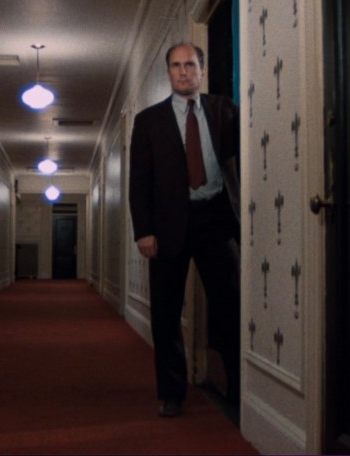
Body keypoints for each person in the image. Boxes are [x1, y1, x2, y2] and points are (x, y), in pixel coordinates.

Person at [129, 42, 241, 418]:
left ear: (202, 71)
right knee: (166, 311)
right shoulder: (148, 120)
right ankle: (172, 393)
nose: (183, 71)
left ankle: (240, 389)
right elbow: (139, 181)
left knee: (228, 304)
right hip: (167, 227)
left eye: (190, 65)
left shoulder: (225, 110)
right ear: (168, 73)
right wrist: (143, 231)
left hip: (215, 220)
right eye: (176, 65)